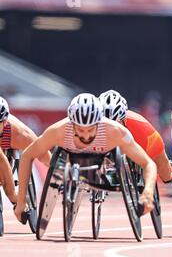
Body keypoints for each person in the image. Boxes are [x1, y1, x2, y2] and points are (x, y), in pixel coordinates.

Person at [14, 93, 157, 222]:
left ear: (98, 123)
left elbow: (148, 164)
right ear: (72, 123)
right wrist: (21, 202)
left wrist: (148, 193)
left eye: (90, 129)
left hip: (104, 157)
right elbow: (27, 156)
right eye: (80, 129)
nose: (86, 136)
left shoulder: (115, 131)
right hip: (73, 158)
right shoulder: (58, 131)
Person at [99, 90, 172, 183]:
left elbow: (151, 159)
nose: (111, 127)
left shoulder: (141, 128)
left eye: (116, 123)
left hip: (148, 139)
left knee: (166, 176)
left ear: (124, 119)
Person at [0, 96, 50, 212]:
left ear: (5, 121)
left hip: (8, 143)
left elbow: (46, 157)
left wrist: (63, 176)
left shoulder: (20, 133)